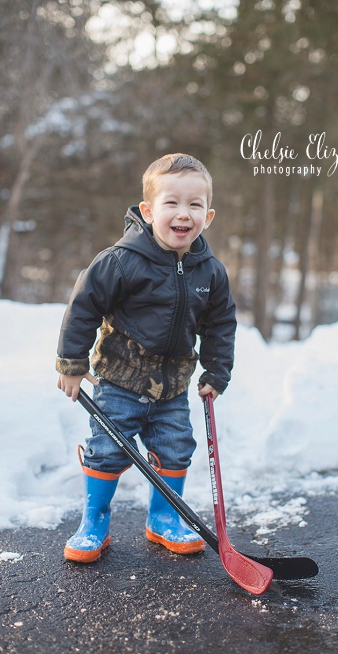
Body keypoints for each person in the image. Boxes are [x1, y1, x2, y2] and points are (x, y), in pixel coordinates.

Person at [56, 153, 236, 563]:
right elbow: (82, 307)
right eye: (172, 202)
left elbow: (221, 324)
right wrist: (71, 363)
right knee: (107, 450)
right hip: (120, 381)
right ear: (148, 210)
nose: (183, 213)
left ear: (208, 216)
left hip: (172, 386)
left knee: (175, 449)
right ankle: (94, 520)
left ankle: (164, 519)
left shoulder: (210, 272)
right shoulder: (121, 261)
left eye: (194, 205)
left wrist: (217, 370)